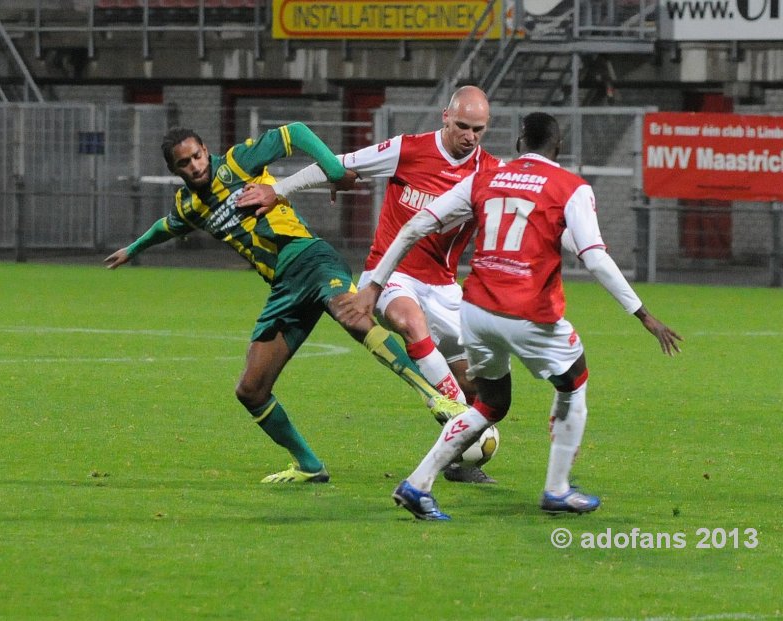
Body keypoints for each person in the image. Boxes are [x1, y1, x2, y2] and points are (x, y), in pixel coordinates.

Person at [338, 112, 683, 519]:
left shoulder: (485, 177)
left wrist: (374, 284)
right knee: (574, 382)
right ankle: (556, 489)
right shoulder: (571, 187)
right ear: (557, 147)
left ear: (519, 143)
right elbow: (594, 257)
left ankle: (417, 484)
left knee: (490, 405)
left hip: (477, 311)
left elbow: (415, 225)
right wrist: (642, 313)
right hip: (529, 312)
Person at [104, 123, 464, 484]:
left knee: (351, 314)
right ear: (174, 170)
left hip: (309, 256)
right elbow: (166, 227)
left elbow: (295, 133)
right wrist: (132, 250)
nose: (195, 166)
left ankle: (437, 398)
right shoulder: (189, 206)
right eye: (184, 164)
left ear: (205, 148)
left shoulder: (237, 162)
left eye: (197, 156)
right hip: (284, 289)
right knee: (251, 390)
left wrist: (334, 170)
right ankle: (309, 465)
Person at [238, 86, 503, 484]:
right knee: (412, 324)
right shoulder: (408, 150)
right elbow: (339, 164)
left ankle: (456, 457)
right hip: (389, 275)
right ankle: (451, 409)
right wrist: (278, 190)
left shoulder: (491, 173)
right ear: (445, 117)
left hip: (444, 287)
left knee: (474, 381)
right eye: (463, 125)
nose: (470, 136)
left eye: (478, 129)